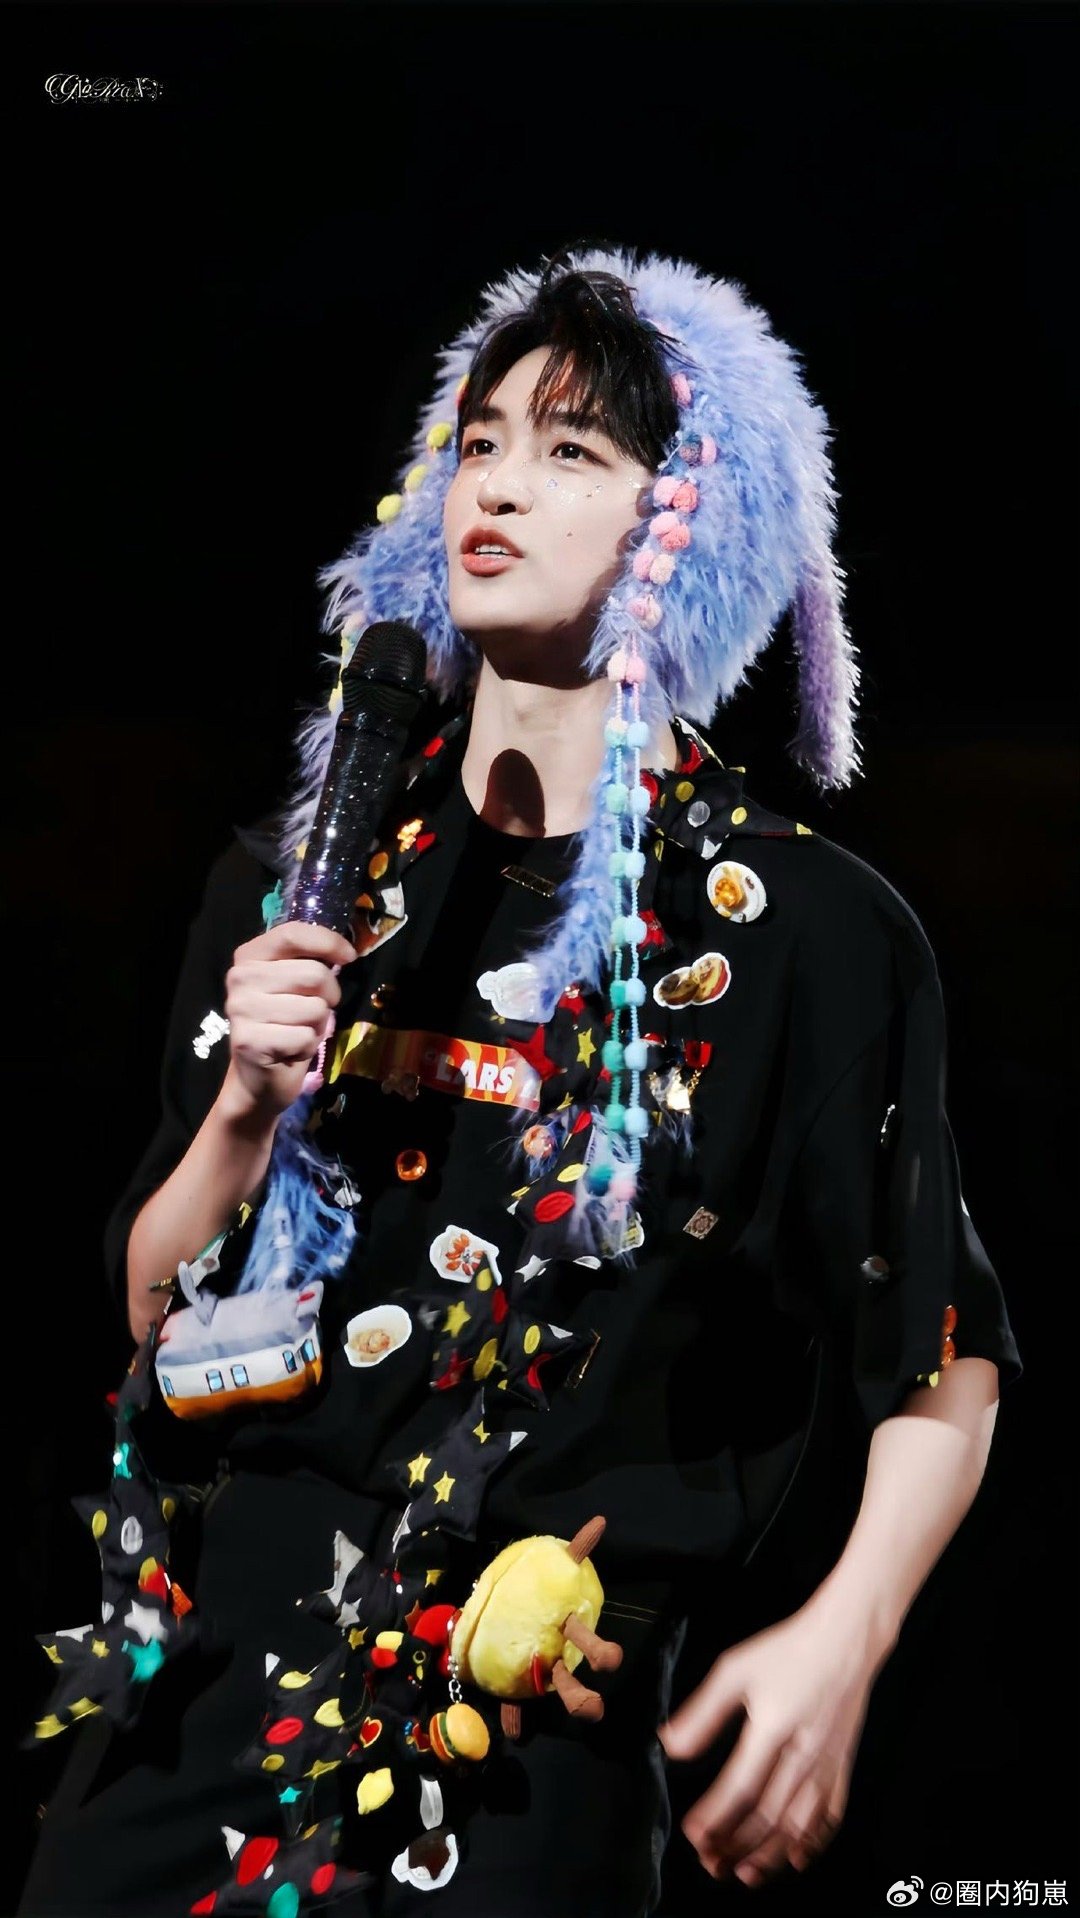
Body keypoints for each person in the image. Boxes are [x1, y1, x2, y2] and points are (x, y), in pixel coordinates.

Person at [19, 242, 1021, 1918]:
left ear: (695, 520)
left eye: (572, 450)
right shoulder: (295, 879)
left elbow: (939, 1353)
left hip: (514, 1750)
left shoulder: (808, 935)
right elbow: (147, 1308)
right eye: (479, 440)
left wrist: (842, 1638)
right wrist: (247, 1107)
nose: (496, 484)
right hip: (195, 1709)